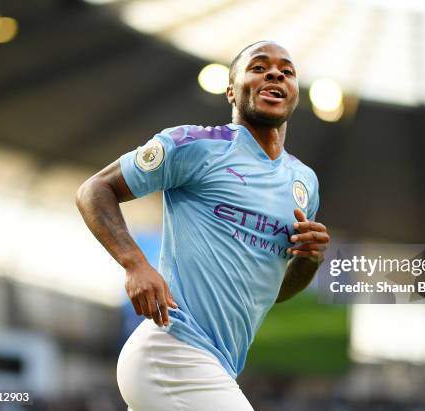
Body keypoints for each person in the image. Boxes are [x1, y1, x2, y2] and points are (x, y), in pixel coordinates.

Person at [75, 40, 330, 411]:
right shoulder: (196, 146)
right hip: (172, 350)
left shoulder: (304, 184)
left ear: (293, 94)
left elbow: (273, 292)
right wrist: (135, 263)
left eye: (286, 71)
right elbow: (94, 189)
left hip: (217, 366)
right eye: (259, 67)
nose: (275, 73)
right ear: (231, 90)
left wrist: (309, 260)